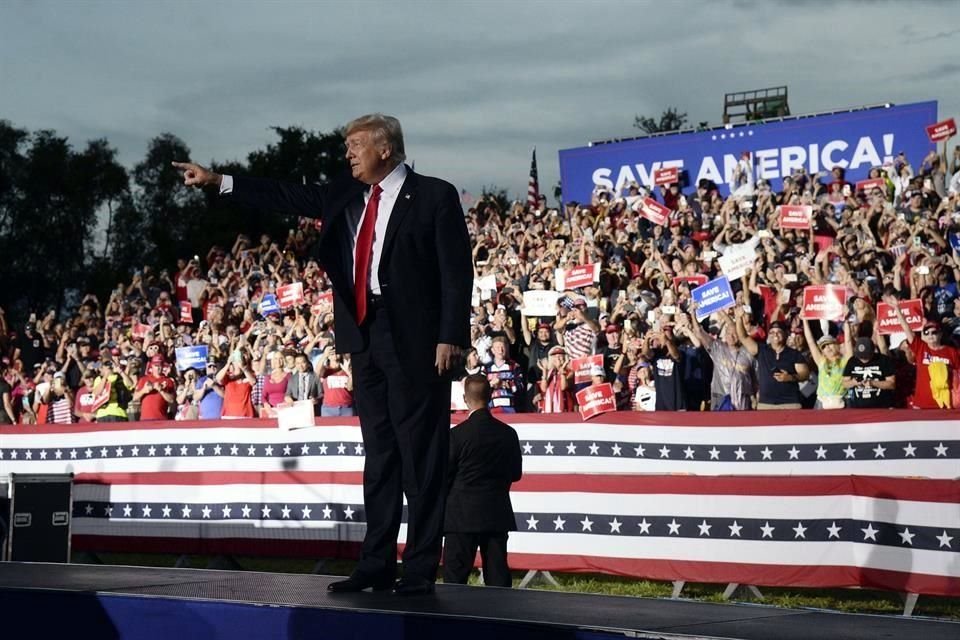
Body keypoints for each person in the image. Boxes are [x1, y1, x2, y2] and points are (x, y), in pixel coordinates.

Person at [173, 113, 473, 596]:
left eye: (356, 145)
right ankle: (375, 563)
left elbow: (457, 271)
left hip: (417, 340)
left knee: (422, 456)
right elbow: (286, 194)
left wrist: (451, 335)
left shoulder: (435, 195)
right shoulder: (345, 192)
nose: (348, 154)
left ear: (386, 149)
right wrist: (218, 180)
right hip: (364, 336)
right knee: (379, 456)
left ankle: (418, 569)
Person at [442, 374, 522, 588]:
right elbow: (516, 473)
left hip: (460, 515)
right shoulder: (508, 434)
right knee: (497, 579)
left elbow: (445, 476)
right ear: (490, 396)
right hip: (496, 512)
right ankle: (499, 620)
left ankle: (452, 621)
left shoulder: (457, 435)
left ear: (465, 399)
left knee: (454, 581)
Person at [843, 337, 896, 408]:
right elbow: (844, 383)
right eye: (860, 356)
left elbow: (892, 384)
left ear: (873, 350)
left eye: (866, 356)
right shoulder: (852, 361)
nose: (863, 359)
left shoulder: (883, 360)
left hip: (882, 407)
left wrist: (873, 383)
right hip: (857, 408)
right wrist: (854, 382)